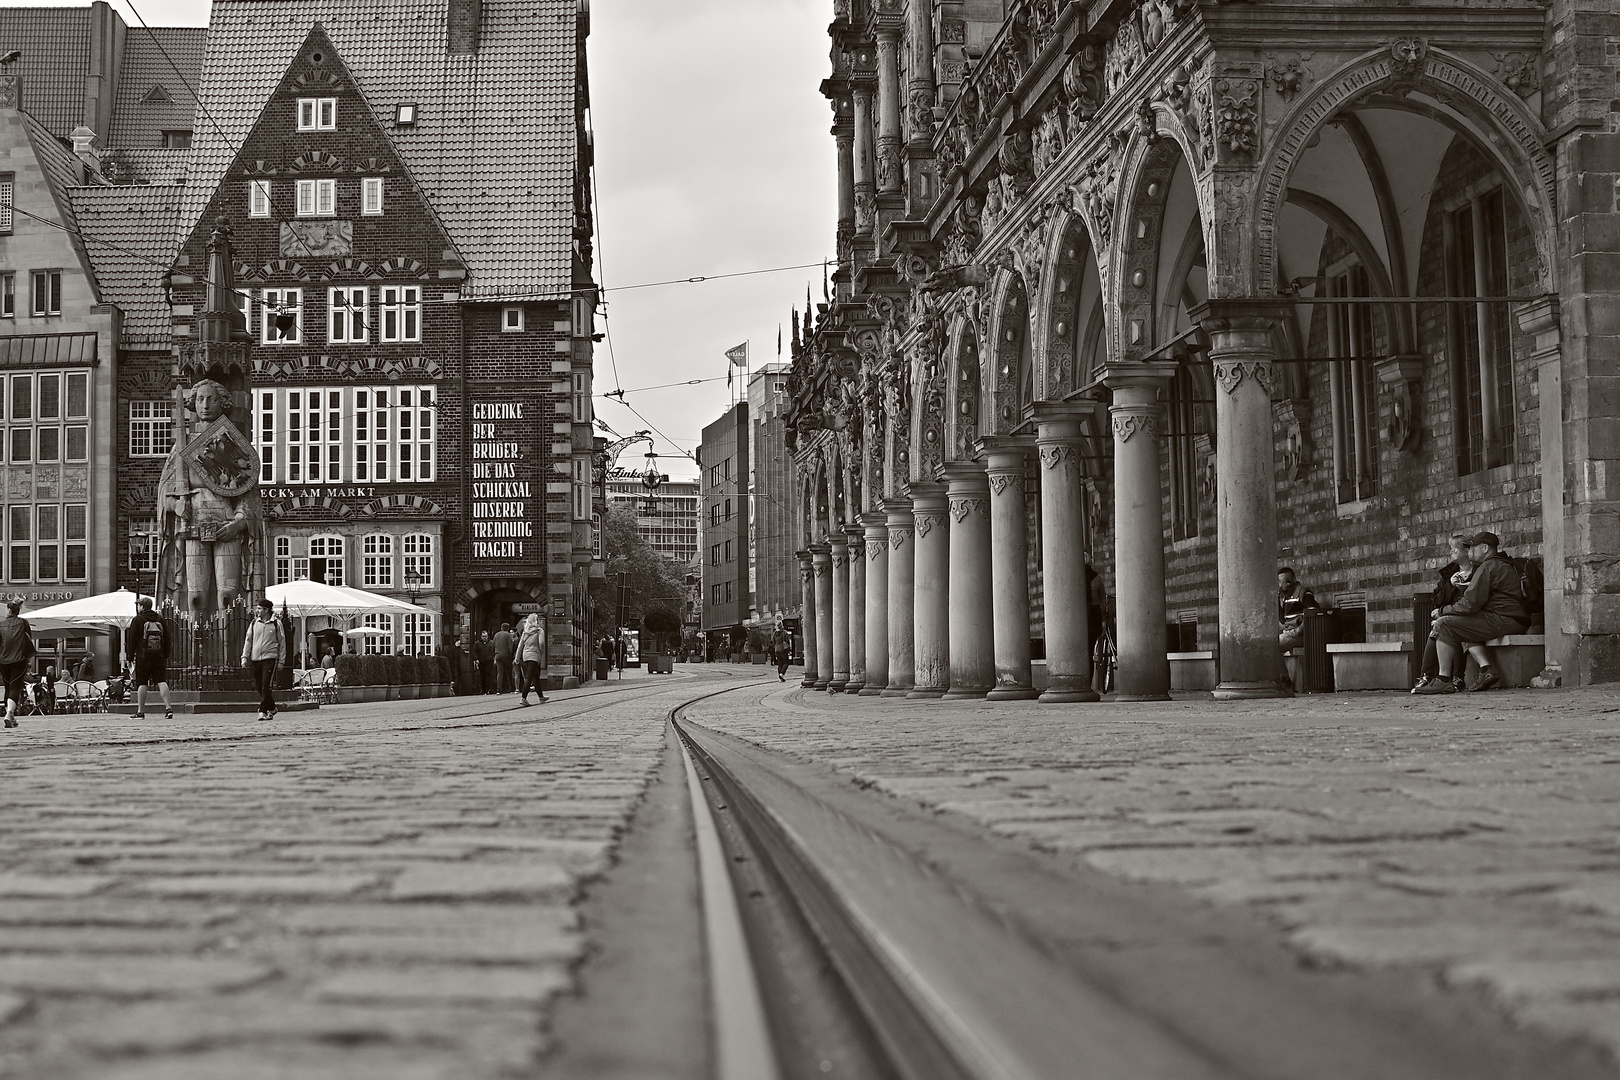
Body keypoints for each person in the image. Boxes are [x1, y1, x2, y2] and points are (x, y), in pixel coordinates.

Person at [1418, 531, 1531, 694]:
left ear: (1484, 548)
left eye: (1473, 548)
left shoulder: (1488, 566)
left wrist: (1443, 611)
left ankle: (1443, 679)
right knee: (1463, 624)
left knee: (1444, 624)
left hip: (1503, 620)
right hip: (1515, 619)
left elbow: (1470, 604)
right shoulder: (1503, 563)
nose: (1470, 551)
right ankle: (1486, 670)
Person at [1412, 534, 1477, 694]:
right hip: (1450, 613)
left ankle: (1450, 677)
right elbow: (1438, 599)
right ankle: (1429, 675)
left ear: (1466, 551)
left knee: (1445, 626)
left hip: (1470, 615)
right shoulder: (1450, 573)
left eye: (1455, 548)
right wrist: (1452, 584)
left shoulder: (1478, 571)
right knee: (1440, 627)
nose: (1451, 552)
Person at [240, 597, 287, 721]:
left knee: (266, 684)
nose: (258, 611)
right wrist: (245, 656)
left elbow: (282, 643)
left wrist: (281, 660)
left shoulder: (276, 624)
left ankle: (262, 710)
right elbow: (248, 640)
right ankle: (271, 708)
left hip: (270, 658)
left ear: (266, 610)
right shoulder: (254, 623)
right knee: (259, 686)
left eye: (260, 609)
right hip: (256, 658)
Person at [129, 596, 174, 720]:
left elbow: (132, 640)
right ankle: (168, 708)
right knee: (161, 681)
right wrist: (165, 654)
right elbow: (168, 638)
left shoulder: (137, 620)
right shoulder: (160, 619)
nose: (137, 607)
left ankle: (140, 711)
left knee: (142, 683)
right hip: (158, 655)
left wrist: (129, 657)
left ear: (142, 607)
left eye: (138, 605)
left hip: (143, 656)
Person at [0, 600, 34, 728]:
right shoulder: (23, 623)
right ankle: (9, 713)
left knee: (8, 688)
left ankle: (11, 717)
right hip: (19, 659)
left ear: (9, 610)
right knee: (15, 687)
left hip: (3, 660)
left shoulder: (1, 624)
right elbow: (28, 638)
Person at [1277, 567, 1320, 652]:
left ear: (1289, 582)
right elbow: (1282, 620)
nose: (1279, 586)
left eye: (1281, 583)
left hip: (1301, 636)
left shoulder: (1304, 593)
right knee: (1268, 644)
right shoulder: (1286, 596)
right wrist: (1277, 601)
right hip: (1289, 633)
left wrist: (1296, 631)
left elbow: (1312, 615)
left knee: (1274, 646)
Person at [516, 614, 547, 705]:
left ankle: (541, 697)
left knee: (535, 677)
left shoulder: (525, 632)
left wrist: (517, 657)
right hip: (534, 655)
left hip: (525, 655)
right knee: (529, 677)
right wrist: (541, 652)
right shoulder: (539, 631)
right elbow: (541, 643)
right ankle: (523, 698)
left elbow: (520, 646)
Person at [493, 622, 516, 693]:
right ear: (508, 628)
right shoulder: (508, 635)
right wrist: (511, 655)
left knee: (500, 672)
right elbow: (510, 646)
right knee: (509, 672)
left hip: (498, 655)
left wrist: (494, 655)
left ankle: (498, 689)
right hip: (506, 656)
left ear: (501, 628)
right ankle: (511, 687)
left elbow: (493, 645)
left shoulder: (496, 635)